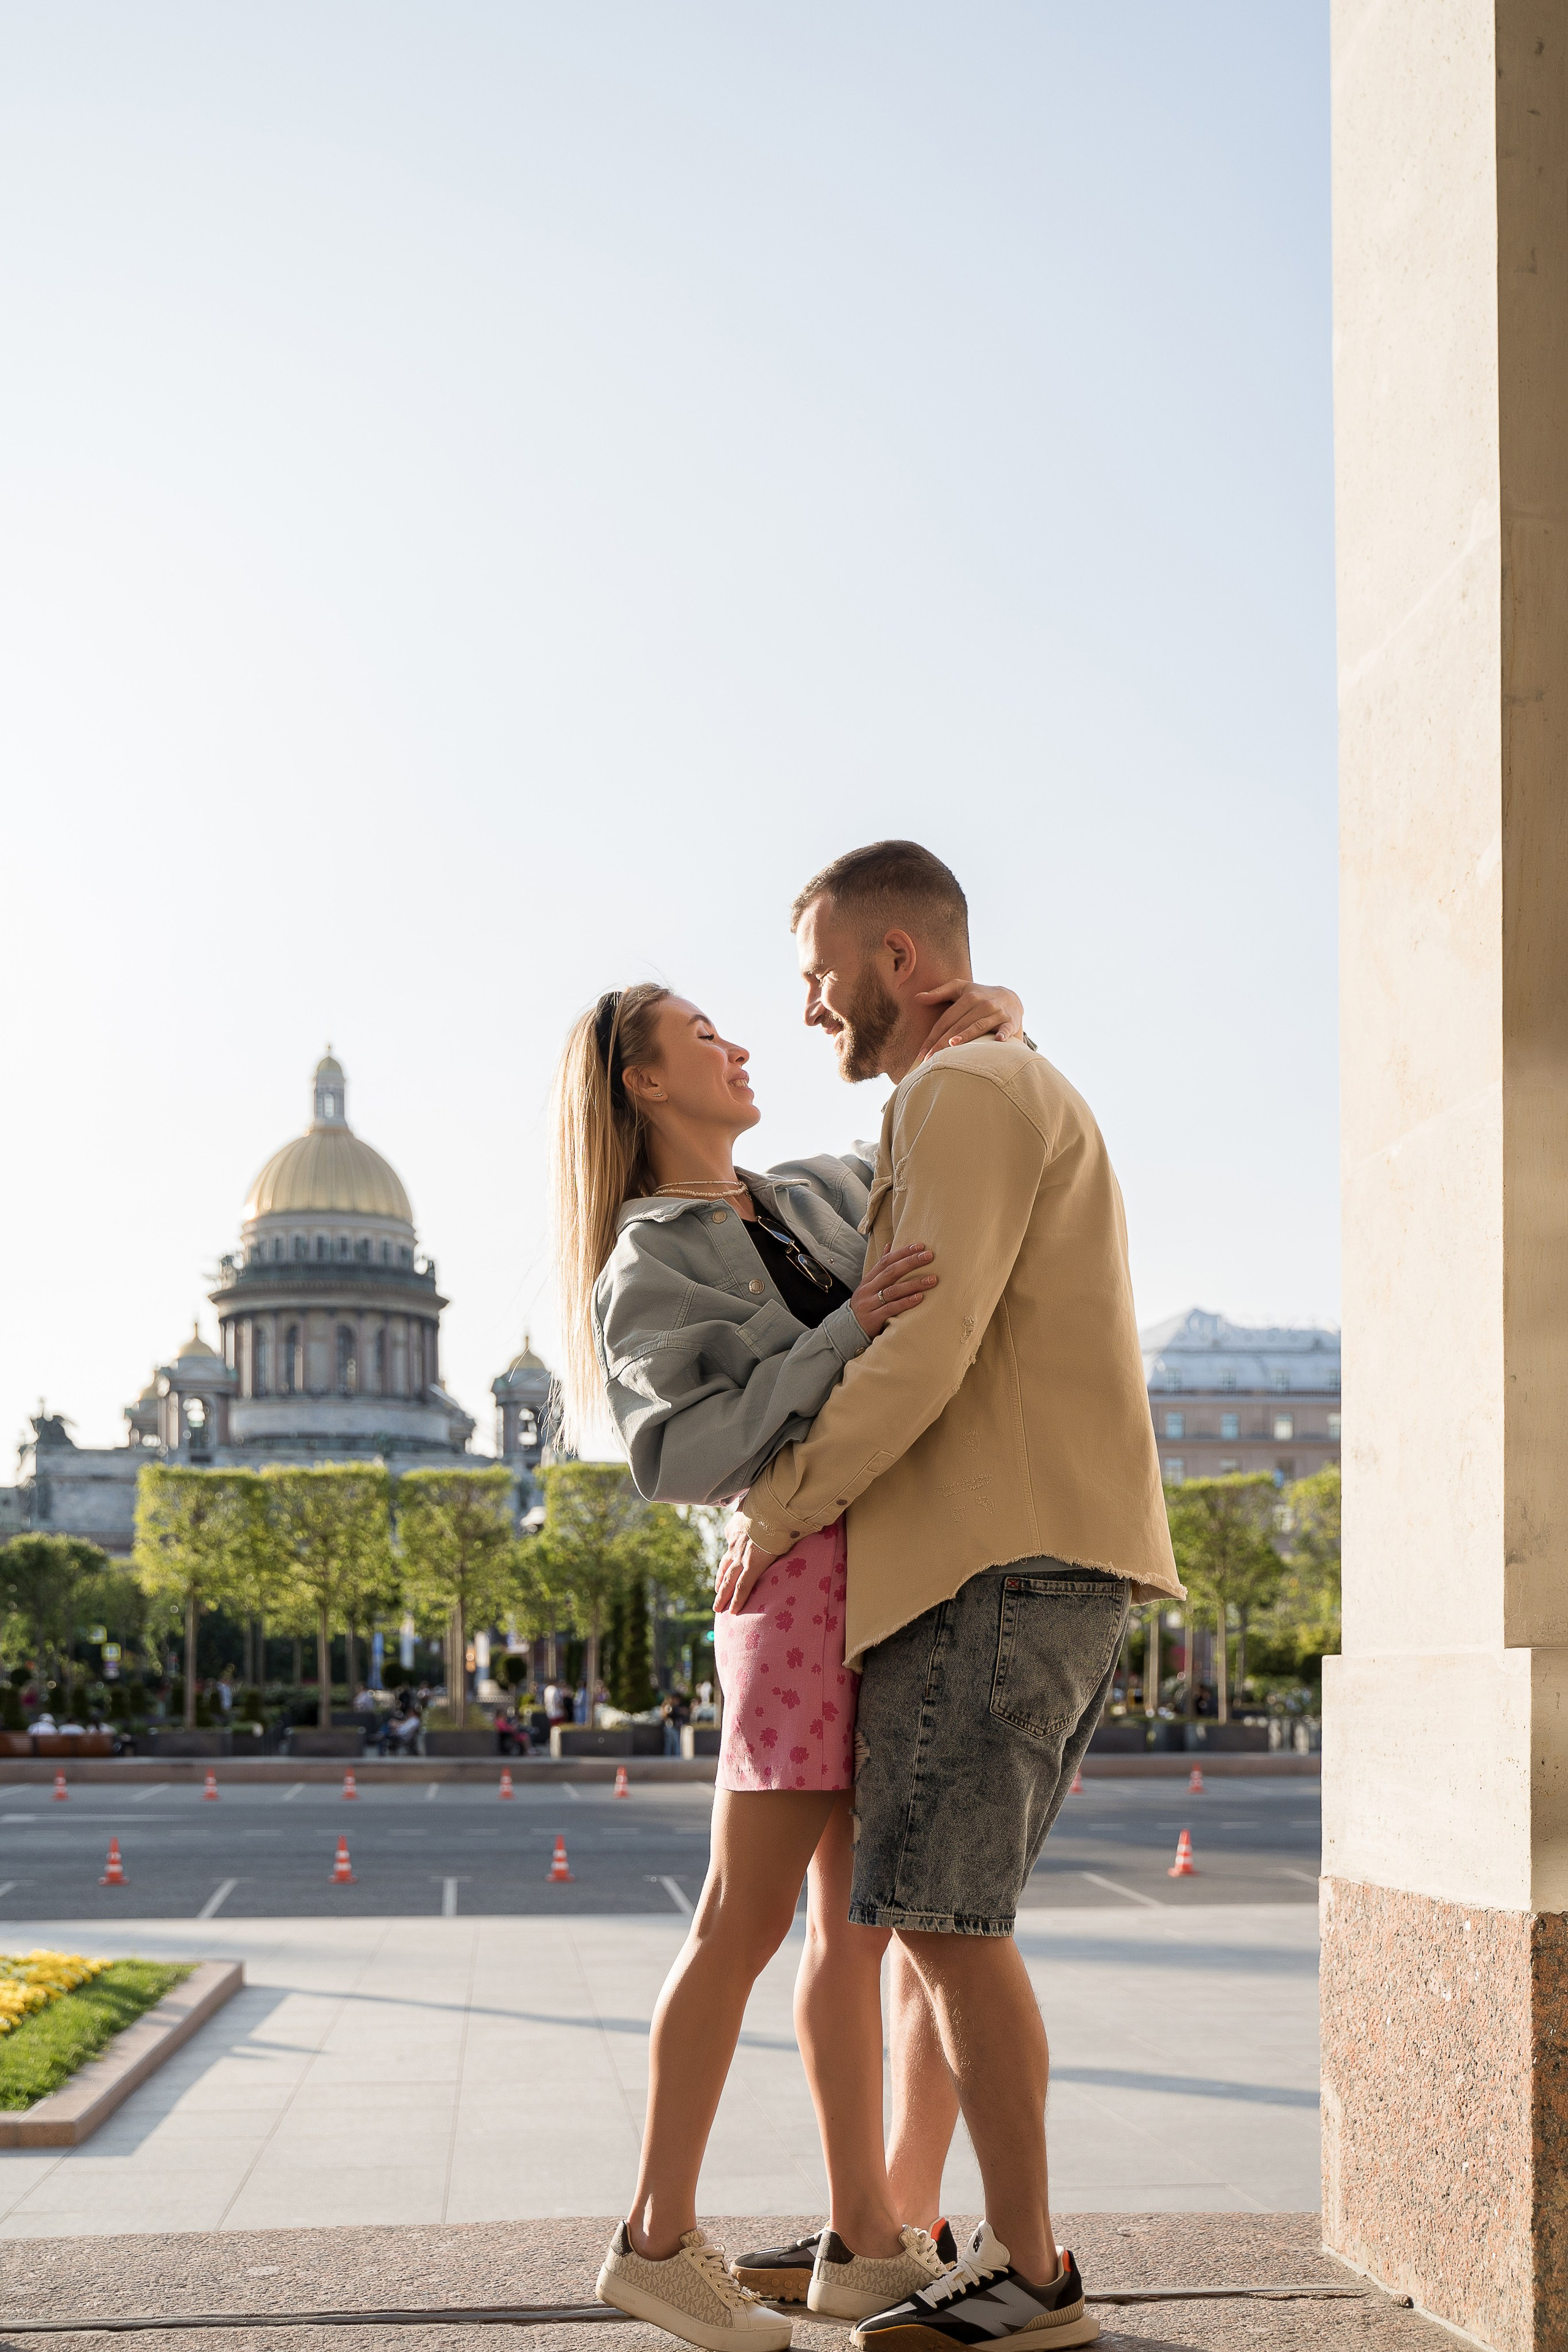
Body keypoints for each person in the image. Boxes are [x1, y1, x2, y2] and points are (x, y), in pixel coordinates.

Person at [719, 841, 1185, 2352]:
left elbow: (922, 1347)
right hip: (1022, 1555)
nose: (806, 1008)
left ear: (898, 962)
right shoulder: (990, 1076)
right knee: (935, 1919)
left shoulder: (961, 1091)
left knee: (943, 1926)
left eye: (817, 975)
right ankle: (907, 2234)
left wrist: (779, 1504)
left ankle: (1031, 2271)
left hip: (994, 1559)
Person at [556, 972, 1027, 2348]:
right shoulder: (647, 1260)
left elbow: (930, 1146)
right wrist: (847, 1330)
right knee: (741, 1922)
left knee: (850, 1930)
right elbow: (682, 1455)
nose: (740, 1044)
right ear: (644, 1082)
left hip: (883, 1578)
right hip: (798, 1594)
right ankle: (655, 2241)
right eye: (702, 1035)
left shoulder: (806, 1193)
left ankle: (865, 2238)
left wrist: (997, 1024)